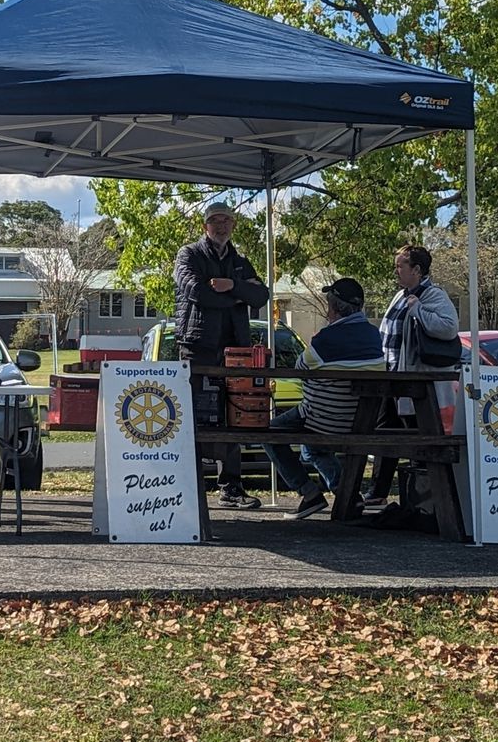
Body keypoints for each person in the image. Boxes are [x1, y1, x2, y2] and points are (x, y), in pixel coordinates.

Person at [174, 201, 271, 511]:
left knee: (233, 416)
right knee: (193, 415)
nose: (221, 226)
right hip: (198, 347)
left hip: (236, 352)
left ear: (233, 226)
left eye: (226, 221)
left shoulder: (240, 262)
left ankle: (231, 488)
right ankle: (187, 486)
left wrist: (233, 285)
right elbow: (196, 292)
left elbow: (261, 295)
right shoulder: (189, 255)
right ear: (205, 226)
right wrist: (238, 296)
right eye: (215, 221)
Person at [262, 278, 385, 520]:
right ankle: (347, 494)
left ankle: (309, 494)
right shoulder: (374, 336)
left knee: (268, 432)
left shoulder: (325, 339)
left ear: (335, 307)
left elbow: (300, 367)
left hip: (324, 419)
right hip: (361, 420)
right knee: (311, 448)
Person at [370, 243, 461, 506]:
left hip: (415, 384)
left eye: (401, 266)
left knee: (418, 437)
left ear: (417, 270)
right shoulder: (400, 295)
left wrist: (419, 309)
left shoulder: (433, 295)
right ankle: (377, 493)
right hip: (392, 377)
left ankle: (426, 498)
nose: (396, 271)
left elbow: (448, 328)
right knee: (384, 434)